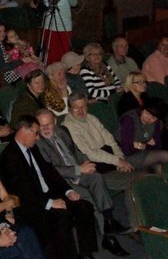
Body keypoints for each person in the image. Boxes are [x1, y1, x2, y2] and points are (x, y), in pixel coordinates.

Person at [0, 115, 98, 259]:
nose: (38, 137)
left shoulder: (32, 148)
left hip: (48, 194)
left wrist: (68, 190)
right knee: (62, 216)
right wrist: (49, 203)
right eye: (36, 133)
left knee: (84, 207)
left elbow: (49, 171)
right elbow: (23, 191)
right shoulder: (9, 158)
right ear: (24, 131)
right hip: (31, 204)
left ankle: (86, 253)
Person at [35, 109, 132, 256]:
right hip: (62, 182)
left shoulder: (62, 131)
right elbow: (51, 170)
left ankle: (108, 221)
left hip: (79, 171)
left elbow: (75, 152)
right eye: (42, 125)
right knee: (89, 196)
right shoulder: (38, 143)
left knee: (97, 177)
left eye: (48, 124)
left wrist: (85, 162)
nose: (46, 128)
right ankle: (108, 237)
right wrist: (79, 169)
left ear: (55, 122)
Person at [33, 0, 78, 65]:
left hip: (65, 25)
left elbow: (74, 3)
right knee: (49, 53)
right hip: (49, 24)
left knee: (63, 53)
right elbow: (44, 4)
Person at [118, 97, 168, 173]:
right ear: (142, 109)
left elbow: (158, 145)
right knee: (165, 155)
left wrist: (141, 145)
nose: (148, 119)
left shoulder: (156, 122)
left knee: (161, 169)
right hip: (125, 157)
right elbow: (126, 150)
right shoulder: (129, 119)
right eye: (147, 113)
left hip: (144, 153)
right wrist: (146, 145)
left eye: (153, 118)